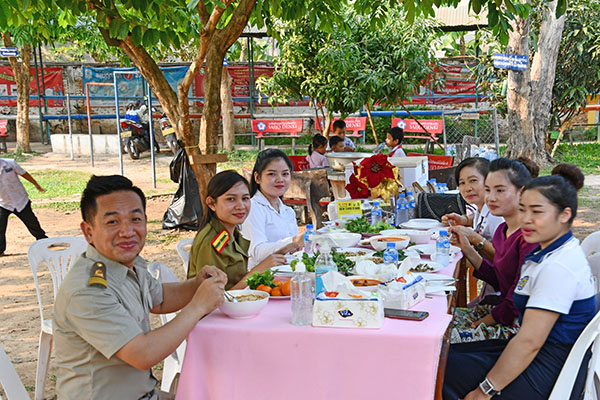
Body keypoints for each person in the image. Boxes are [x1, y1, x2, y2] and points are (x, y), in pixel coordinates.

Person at [53, 175, 227, 400]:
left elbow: (160, 299)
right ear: (88, 232)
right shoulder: (88, 290)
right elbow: (143, 354)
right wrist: (197, 306)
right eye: (112, 222)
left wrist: (196, 285)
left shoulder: (127, 263)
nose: (127, 231)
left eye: (135, 219)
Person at [443, 164, 594, 400]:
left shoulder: (557, 265)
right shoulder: (546, 251)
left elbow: (529, 341)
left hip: (550, 367)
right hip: (533, 350)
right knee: (443, 356)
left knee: (442, 370)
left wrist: (484, 392)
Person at [448, 158, 538, 344]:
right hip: (502, 311)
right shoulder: (502, 230)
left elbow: (518, 298)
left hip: (520, 325)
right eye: (488, 190)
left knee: (445, 340)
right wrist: (467, 247)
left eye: (500, 190)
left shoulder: (531, 237)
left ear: (522, 192)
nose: (491, 198)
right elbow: (498, 279)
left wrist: (484, 322)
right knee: (441, 319)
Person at [188, 170, 287, 289]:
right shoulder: (211, 242)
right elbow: (213, 297)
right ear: (211, 204)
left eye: (245, 198)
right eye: (231, 199)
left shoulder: (231, 232)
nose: (241, 206)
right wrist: (258, 270)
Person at [241, 149, 303, 269]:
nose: (280, 179)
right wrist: (292, 241)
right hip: (261, 279)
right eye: (272, 174)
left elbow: (296, 250)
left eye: (285, 174)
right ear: (257, 178)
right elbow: (257, 253)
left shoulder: (288, 211)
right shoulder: (253, 208)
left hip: (287, 272)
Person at [443, 157, 504, 262]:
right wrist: (464, 220)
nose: (467, 188)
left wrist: (473, 238)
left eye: (473, 180)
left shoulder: (498, 214)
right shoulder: (482, 207)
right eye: (462, 183)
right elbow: (483, 220)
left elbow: (504, 258)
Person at [0, 158, 47, 256]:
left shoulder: (10, 163)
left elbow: (24, 174)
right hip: (3, 203)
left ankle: (43, 240)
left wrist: (36, 184)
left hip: (20, 200)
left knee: (31, 221)